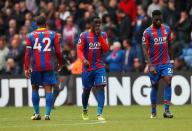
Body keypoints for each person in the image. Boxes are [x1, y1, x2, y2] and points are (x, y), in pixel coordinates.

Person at [24, 16, 63, 120]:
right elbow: (58, 51)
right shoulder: (53, 34)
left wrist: (26, 67)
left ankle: (37, 114)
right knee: (49, 88)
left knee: (35, 88)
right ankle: (47, 115)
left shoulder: (30, 35)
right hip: (48, 65)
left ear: (36, 24)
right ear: (46, 23)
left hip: (36, 66)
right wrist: (60, 63)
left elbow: (28, 53)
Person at [142, 10, 174, 119]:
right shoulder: (147, 32)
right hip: (154, 64)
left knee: (168, 81)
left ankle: (167, 110)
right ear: (152, 19)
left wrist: (172, 60)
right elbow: (145, 50)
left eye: (160, 18)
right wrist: (150, 65)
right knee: (155, 85)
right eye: (156, 19)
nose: (159, 21)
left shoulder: (167, 29)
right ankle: (153, 112)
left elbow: (170, 45)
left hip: (166, 62)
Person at [77, 16, 109, 120]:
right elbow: (79, 50)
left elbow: (106, 49)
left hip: (99, 67)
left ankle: (99, 113)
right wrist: (83, 60)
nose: (98, 25)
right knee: (86, 91)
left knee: (101, 87)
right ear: (91, 24)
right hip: (87, 68)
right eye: (95, 23)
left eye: (99, 23)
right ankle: (85, 110)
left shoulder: (103, 35)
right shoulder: (84, 35)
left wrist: (99, 36)